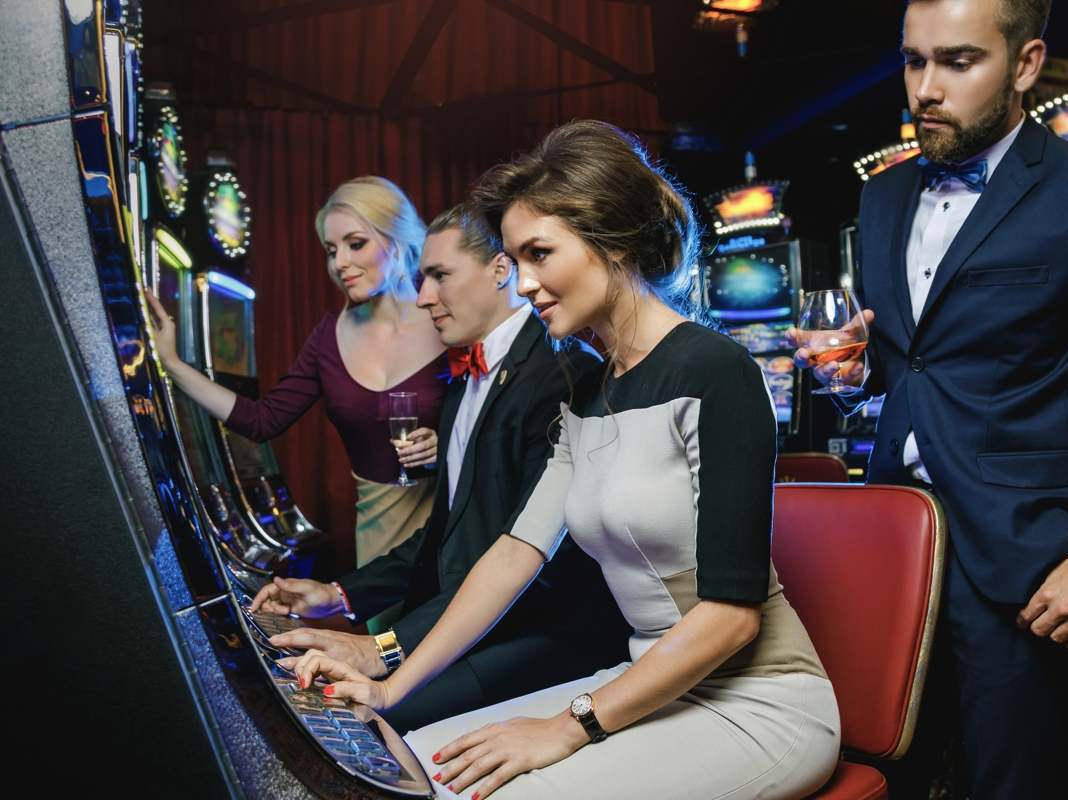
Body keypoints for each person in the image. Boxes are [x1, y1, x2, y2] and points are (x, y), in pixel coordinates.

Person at [289, 121, 842, 800]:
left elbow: (733, 616)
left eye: (539, 254)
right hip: (644, 682)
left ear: (610, 240)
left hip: (758, 704)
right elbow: (515, 553)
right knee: (414, 762)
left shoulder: (715, 369)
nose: (522, 284)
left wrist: (568, 726)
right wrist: (390, 686)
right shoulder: (584, 387)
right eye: (515, 260)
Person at [794, 1, 1068, 796]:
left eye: (957, 62)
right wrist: (860, 374)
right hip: (894, 542)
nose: (925, 87)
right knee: (891, 775)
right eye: (914, 61)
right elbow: (921, 364)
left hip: (1026, 562)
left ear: (1026, 65)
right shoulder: (881, 196)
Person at [249, 204, 630, 734]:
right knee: (316, 704)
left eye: (439, 276)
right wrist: (339, 594)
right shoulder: (462, 384)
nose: (423, 296)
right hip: (465, 626)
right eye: (423, 278)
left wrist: (384, 648)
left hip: (542, 636)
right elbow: (450, 536)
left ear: (501, 270)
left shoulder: (563, 377)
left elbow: (540, 566)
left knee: (356, 724)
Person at [146, 176, 447, 585]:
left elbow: (500, 417)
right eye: (331, 250)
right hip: (380, 540)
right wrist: (175, 365)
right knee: (390, 642)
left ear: (395, 241)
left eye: (355, 244)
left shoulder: (449, 319)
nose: (340, 262)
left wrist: (445, 443)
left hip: (454, 525)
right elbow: (262, 420)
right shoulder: (328, 337)